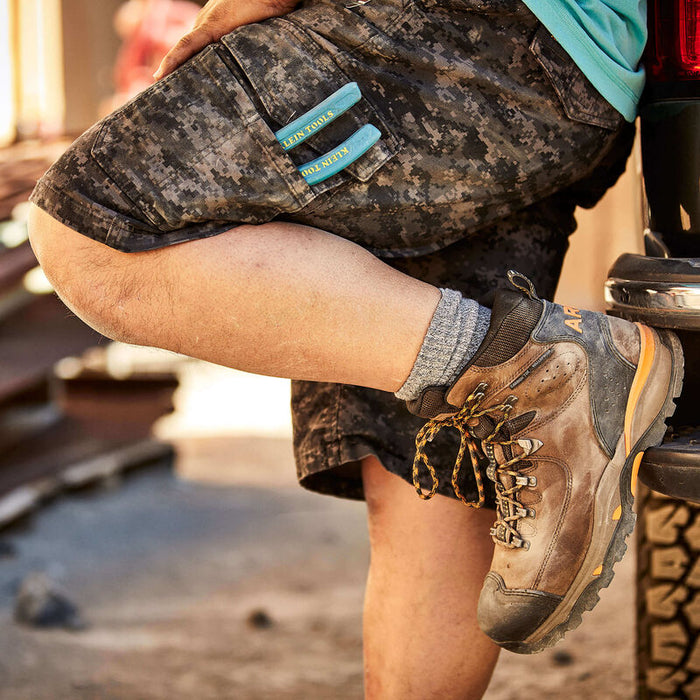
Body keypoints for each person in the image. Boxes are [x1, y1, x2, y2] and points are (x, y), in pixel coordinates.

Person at [26, 0, 683, 696]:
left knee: (95, 222)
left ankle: (545, 376)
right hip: (565, 78)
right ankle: (524, 380)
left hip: (466, 28)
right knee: (428, 455)